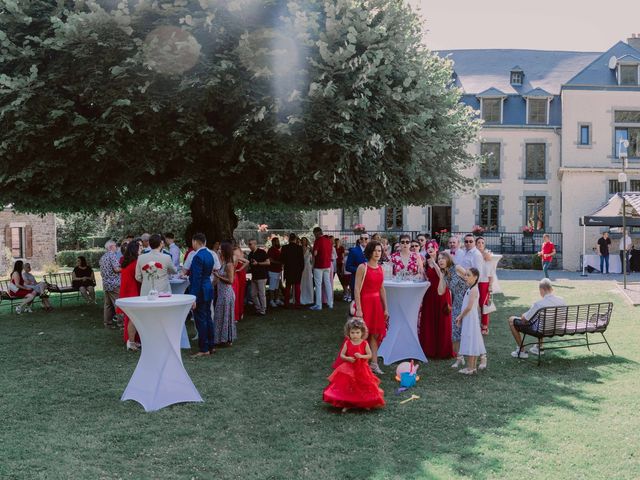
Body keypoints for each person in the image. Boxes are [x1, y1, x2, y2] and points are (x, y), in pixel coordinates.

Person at [322, 317, 385, 412]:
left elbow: (370, 355)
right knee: (349, 385)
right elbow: (342, 355)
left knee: (362, 385)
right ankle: (347, 402)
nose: (355, 335)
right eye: (352, 333)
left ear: (362, 333)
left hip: (362, 368)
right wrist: (347, 358)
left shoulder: (364, 343)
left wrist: (361, 356)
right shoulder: (348, 343)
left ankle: (365, 402)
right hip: (349, 368)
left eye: (357, 333)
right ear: (348, 333)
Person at [353, 240, 389, 374]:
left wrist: (386, 307)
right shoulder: (362, 267)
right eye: (374, 250)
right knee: (361, 335)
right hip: (365, 303)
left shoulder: (380, 268)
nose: (377, 253)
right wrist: (359, 308)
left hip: (376, 305)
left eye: (379, 251)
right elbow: (356, 289)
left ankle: (374, 364)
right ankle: (359, 364)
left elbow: (381, 288)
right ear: (369, 252)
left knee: (374, 335)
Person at [508, 278, 566, 358]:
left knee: (511, 319)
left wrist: (523, 315)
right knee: (542, 321)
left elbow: (525, 320)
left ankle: (521, 351)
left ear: (542, 290)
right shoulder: (562, 300)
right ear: (551, 289)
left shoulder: (539, 304)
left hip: (543, 329)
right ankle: (539, 347)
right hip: (558, 327)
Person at [419, 240, 456, 360]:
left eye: (432, 247)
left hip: (441, 295)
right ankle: (429, 349)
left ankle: (443, 350)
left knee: (443, 321)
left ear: (436, 248)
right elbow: (425, 277)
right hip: (429, 295)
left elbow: (442, 275)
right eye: (427, 247)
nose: (430, 249)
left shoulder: (441, 261)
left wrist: (434, 263)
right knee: (429, 321)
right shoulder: (425, 262)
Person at [437, 252, 467, 368]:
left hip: (466, 301)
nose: (440, 260)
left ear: (448, 259)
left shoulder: (457, 268)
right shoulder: (444, 274)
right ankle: (459, 358)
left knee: (468, 330)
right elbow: (440, 292)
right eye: (438, 259)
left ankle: (476, 357)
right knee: (455, 333)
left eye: (442, 258)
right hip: (456, 304)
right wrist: (441, 275)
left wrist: (473, 298)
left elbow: (471, 280)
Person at [454, 268, 486, 375]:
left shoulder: (474, 289)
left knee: (471, 341)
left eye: (468, 275)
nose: (466, 277)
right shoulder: (470, 288)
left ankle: (470, 368)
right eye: (466, 275)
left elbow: (469, 307)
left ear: (475, 277)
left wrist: (460, 316)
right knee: (471, 341)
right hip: (469, 318)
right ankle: (472, 367)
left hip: (470, 318)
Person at [189, 233, 216, 356]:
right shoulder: (210, 255)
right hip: (208, 288)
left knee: (201, 320)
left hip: (200, 290)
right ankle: (211, 345)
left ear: (195, 242)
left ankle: (204, 348)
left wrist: (193, 297)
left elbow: (196, 279)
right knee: (208, 318)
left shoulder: (197, 257)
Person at [119, 241, 142, 351]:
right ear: (135, 249)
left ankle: (132, 340)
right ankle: (131, 341)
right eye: (140, 247)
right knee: (134, 316)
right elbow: (138, 277)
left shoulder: (126, 260)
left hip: (127, 289)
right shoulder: (136, 262)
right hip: (132, 290)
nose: (141, 248)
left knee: (130, 316)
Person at [213, 242, 236, 346]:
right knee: (220, 315)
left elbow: (231, 281)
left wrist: (218, 276)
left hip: (227, 293)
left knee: (226, 316)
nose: (219, 250)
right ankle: (221, 338)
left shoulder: (229, 265)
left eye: (221, 249)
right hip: (221, 293)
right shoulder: (224, 263)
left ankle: (227, 339)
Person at [99, 240, 122, 328]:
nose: (116, 247)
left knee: (107, 305)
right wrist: (125, 268)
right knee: (118, 303)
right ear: (111, 247)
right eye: (115, 246)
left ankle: (107, 323)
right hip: (114, 283)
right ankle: (121, 323)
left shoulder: (103, 257)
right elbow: (116, 269)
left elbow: (101, 272)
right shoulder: (112, 255)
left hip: (106, 283)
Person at [311, 227, 334, 311]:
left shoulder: (318, 241)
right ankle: (330, 303)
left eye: (314, 234)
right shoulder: (329, 241)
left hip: (319, 265)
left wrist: (312, 251)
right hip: (327, 265)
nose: (314, 236)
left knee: (318, 285)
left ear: (317, 233)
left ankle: (318, 304)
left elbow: (315, 253)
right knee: (328, 284)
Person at [475, 237, 494, 336]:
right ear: (476, 244)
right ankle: (475, 325)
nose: (480, 244)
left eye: (482, 243)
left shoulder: (488, 256)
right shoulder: (474, 255)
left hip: (484, 283)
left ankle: (484, 326)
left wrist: (490, 285)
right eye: (478, 242)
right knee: (474, 304)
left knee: (484, 304)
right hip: (474, 282)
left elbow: (491, 272)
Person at [280, 233, 304, 308]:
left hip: (288, 269)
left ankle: (286, 303)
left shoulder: (284, 248)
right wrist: (301, 270)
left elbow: (282, 259)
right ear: (295, 239)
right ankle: (297, 303)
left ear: (289, 239)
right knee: (297, 287)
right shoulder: (299, 248)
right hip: (297, 270)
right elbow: (302, 261)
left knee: (288, 287)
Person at [248, 239, 269, 316]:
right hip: (254, 277)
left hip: (262, 276)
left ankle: (263, 310)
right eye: (248, 244)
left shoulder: (262, 252)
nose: (249, 246)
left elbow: (268, 262)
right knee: (253, 294)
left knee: (261, 294)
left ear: (255, 244)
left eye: (250, 244)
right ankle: (258, 308)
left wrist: (258, 263)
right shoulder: (250, 254)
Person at [232, 246, 249, 321]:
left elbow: (247, 262)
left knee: (240, 295)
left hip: (240, 275)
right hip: (237, 275)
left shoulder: (236, 254)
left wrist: (239, 269)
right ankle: (238, 313)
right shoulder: (234, 252)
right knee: (237, 295)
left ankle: (240, 313)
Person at [267, 237, 283, 308]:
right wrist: (279, 262)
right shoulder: (271, 250)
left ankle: (277, 299)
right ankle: (271, 300)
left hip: (278, 271)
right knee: (272, 287)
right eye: (277, 241)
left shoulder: (277, 249)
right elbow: (270, 260)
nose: (278, 242)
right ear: (273, 242)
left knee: (276, 286)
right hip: (272, 271)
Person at [299, 237, 314, 305]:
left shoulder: (309, 248)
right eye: (302, 241)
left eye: (305, 241)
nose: (303, 242)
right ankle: (300, 296)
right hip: (301, 266)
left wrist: (310, 245)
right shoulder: (299, 248)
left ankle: (309, 297)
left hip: (308, 267)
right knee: (301, 281)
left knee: (308, 281)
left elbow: (314, 253)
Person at [334, 237, 350, 301]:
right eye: (336, 242)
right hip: (336, 263)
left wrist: (343, 263)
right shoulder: (334, 248)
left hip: (340, 263)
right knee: (339, 276)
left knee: (342, 277)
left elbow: (343, 256)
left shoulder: (342, 248)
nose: (337, 243)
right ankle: (345, 291)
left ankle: (346, 291)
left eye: (338, 242)